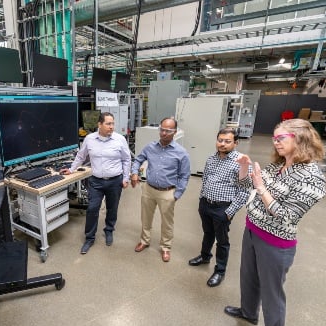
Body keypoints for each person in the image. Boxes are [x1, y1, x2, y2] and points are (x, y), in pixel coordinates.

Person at [224, 118, 326, 326]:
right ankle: (248, 312)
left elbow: (288, 216)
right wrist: (244, 167)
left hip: (276, 241)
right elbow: (245, 183)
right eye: (274, 138)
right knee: (248, 277)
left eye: (281, 138)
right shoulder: (278, 165)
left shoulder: (312, 177)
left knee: (272, 292)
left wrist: (261, 188)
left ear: (300, 138)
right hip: (253, 229)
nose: (276, 142)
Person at [61, 112, 131, 254]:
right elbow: (81, 156)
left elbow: (126, 159)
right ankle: (89, 238)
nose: (112, 127)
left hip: (115, 181)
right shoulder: (89, 139)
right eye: (108, 124)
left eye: (112, 123)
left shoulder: (120, 139)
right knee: (92, 209)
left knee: (112, 208)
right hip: (96, 182)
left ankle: (109, 230)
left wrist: (126, 178)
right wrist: (71, 169)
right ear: (99, 124)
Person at [188, 127, 249, 287]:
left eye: (227, 141)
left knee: (222, 241)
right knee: (208, 233)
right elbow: (205, 179)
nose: (222, 144)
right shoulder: (211, 159)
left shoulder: (240, 162)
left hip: (223, 208)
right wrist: (202, 199)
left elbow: (244, 191)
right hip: (206, 204)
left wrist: (229, 212)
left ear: (236, 143)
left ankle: (220, 271)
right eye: (220, 140)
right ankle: (205, 256)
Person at [130, 117, 190, 262]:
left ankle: (165, 247)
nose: (164, 133)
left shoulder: (181, 153)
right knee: (146, 218)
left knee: (167, 222)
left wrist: (177, 194)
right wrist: (134, 172)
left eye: (168, 131)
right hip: (149, 189)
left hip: (168, 192)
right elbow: (138, 160)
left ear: (175, 132)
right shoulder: (150, 147)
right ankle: (144, 241)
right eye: (162, 129)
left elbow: (184, 175)